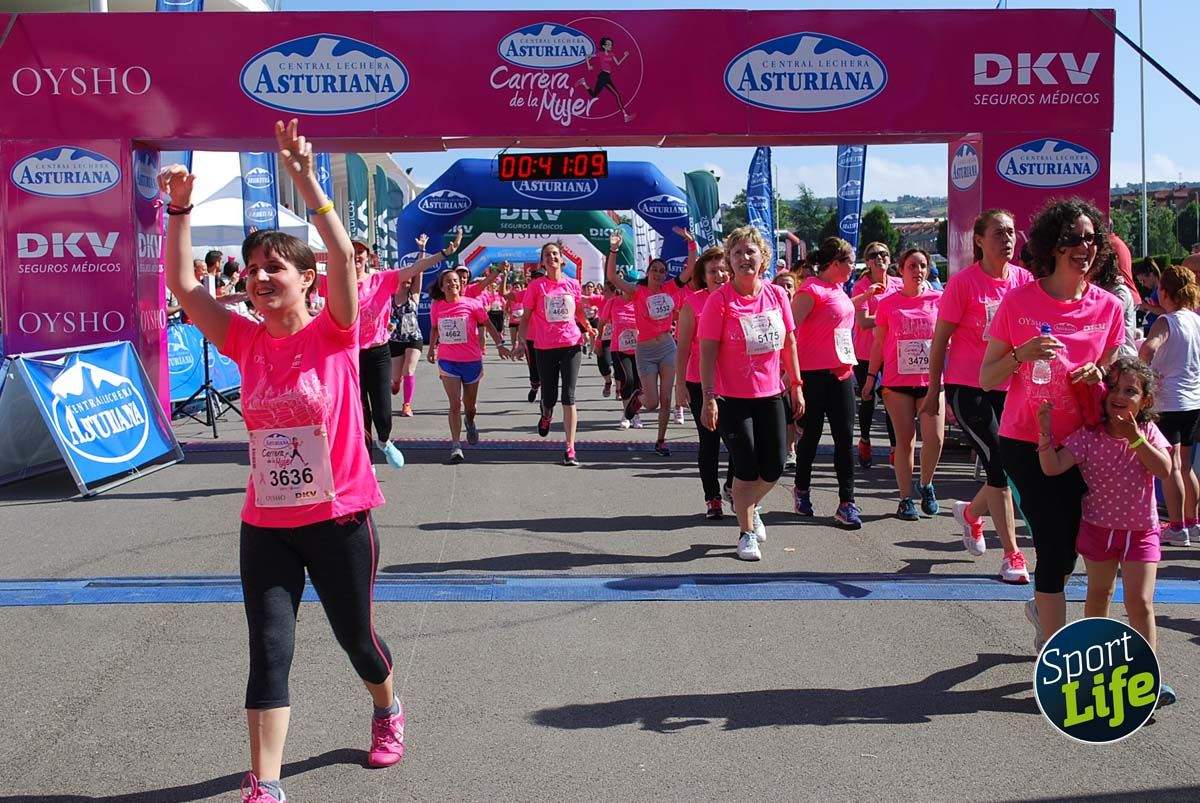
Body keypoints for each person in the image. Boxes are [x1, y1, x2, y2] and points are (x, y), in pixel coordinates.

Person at [160, 119, 404, 803]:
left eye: (275, 267)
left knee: (358, 639)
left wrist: (305, 183)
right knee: (269, 648)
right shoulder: (244, 340)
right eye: (254, 267)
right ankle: (264, 783)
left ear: (306, 279)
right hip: (266, 523)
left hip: (339, 518)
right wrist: (179, 210)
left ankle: (386, 704)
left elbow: (344, 258)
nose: (260, 276)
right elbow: (185, 286)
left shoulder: (336, 331)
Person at [981, 197, 1125, 651]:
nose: (1083, 247)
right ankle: (1056, 645)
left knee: (1075, 546)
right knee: (1052, 541)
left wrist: (1101, 372)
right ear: (1052, 243)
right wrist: (1021, 355)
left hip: (1086, 442)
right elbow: (987, 376)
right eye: (1073, 238)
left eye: (1090, 238)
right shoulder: (1020, 301)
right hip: (1027, 440)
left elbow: (1115, 364)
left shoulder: (1107, 307)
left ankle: (1043, 607)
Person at [1036, 358, 1176, 707]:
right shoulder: (1088, 436)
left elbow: (1164, 468)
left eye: (1130, 390)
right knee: (1099, 596)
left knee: (1139, 602)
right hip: (1099, 529)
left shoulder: (1147, 433)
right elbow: (1053, 467)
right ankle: (1094, 672)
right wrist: (1044, 432)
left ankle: (1148, 676)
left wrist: (1135, 439)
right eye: (1113, 387)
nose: (1119, 395)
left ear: (1143, 401)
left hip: (1140, 532)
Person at [922, 209, 1032, 584]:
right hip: (969, 387)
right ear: (980, 241)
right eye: (999, 233)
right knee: (999, 463)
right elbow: (940, 340)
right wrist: (933, 390)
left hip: (1012, 386)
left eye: (1012, 232)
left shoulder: (1024, 281)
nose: (1008, 239)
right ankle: (1013, 556)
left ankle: (971, 513)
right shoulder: (964, 284)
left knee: (1011, 466)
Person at [699, 226, 803, 560]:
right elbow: (708, 352)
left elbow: (789, 342)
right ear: (729, 259)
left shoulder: (776, 295)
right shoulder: (719, 301)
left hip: (771, 393)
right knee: (745, 466)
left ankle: (746, 502)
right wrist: (708, 396)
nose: (745, 258)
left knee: (774, 467)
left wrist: (797, 386)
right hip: (732, 397)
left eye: (751, 252)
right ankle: (746, 533)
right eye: (738, 252)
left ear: (763, 258)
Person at [792, 238, 883, 530]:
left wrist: (865, 296)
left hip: (842, 373)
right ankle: (802, 488)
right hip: (813, 375)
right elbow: (790, 329)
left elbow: (838, 310)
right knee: (811, 436)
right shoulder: (810, 290)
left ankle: (847, 502)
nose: (852, 268)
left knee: (844, 438)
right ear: (834, 264)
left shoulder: (837, 289)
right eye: (849, 262)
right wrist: (788, 375)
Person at [862, 248, 944, 521]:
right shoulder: (888, 303)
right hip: (897, 382)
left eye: (922, 265)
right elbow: (878, 343)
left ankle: (927, 484)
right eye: (912, 266)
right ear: (901, 270)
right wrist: (871, 377)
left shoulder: (939, 300)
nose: (918, 271)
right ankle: (905, 497)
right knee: (905, 441)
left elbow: (950, 341)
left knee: (935, 438)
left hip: (930, 381)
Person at [606, 227, 697, 456]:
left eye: (662, 270)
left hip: (667, 347)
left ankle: (661, 440)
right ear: (648, 272)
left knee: (666, 398)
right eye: (654, 270)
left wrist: (691, 244)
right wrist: (614, 250)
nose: (658, 273)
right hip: (645, 350)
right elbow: (612, 277)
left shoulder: (671, 288)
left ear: (666, 274)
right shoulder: (638, 291)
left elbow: (690, 269)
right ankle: (639, 398)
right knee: (652, 403)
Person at [514, 241, 597, 466]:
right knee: (549, 396)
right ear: (542, 261)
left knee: (568, 396)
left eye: (555, 254)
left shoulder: (572, 284)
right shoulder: (536, 287)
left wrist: (588, 327)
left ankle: (570, 448)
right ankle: (546, 414)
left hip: (571, 343)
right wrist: (522, 342)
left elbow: (579, 312)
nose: (551, 257)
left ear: (562, 259)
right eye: (547, 255)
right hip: (544, 346)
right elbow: (526, 318)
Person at [1139, 264, 1200, 546]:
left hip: (1170, 401)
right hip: (1193, 401)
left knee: (1172, 466)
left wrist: (1144, 379)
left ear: (1164, 292)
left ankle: (1176, 527)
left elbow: (1147, 349)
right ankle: (1191, 521)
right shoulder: (1196, 320)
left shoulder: (1167, 322)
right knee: (1186, 466)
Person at [427, 269, 513, 463]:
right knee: (455, 404)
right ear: (442, 287)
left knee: (470, 406)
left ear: (461, 284)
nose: (452, 284)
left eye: (455, 281)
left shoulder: (473, 304)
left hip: (471, 360)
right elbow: (434, 329)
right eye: (448, 282)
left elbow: (489, 324)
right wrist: (431, 349)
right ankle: (456, 445)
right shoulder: (438, 306)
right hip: (448, 360)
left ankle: (471, 420)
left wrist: (500, 345)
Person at [674, 245, 734, 518]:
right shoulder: (693, 303)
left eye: (723, 269)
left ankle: (733, 486)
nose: (720, 275)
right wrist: (680, 384)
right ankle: (712, 498)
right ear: (704, 275)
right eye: (713, 271)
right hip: (700, 381)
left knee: (740, 441)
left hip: (735, 382)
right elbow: (683, 347)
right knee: (709, 442)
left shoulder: (739, 298)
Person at [851, 241, 902, 468]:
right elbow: (862, 322)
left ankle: (895, 448)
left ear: (890, 259)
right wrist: (890, 319)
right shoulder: (861, 287)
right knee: (868, 400)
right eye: (874, 255)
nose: (879, 258)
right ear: (868, 262)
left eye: (884, 254)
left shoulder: (899, 285)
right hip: (865, 353)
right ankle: (864, 440)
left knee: (892, 400)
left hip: (891, 352)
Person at [600, 282, 642, 428]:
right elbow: (602, 322)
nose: (630, 292)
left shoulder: (639, 303)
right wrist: (599, 341)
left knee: (639, 383)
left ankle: (635, 414)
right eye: (626, 289)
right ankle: (626, 413)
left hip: (639, 348)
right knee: (627, 379)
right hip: (619, 348)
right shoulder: (612, 303)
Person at [772, 271, 800, 471]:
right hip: (775, 373)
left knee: (803, 418)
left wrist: (792, 374)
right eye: (781, 286)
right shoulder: (770, 312)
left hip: (800, 370)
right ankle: (790, 450)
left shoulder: (803, 311)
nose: (785, 290)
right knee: (787, 413)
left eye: (789, 285)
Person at [576, 35, 634, 122]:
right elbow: (587, 56)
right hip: (603, 76)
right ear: (603, 46)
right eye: (608, 45)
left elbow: (618, 63)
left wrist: (625, 56)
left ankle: (584, 83)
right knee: (617, 95)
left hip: (606, 76)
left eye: (611, 45)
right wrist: (589, 66)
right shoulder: (601, 54)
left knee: (594, 95)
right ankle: (625, 115)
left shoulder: (611, 54)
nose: (610, 46)